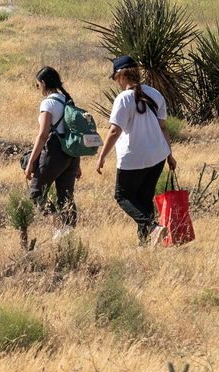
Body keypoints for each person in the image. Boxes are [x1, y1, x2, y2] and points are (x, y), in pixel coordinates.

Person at [96, 56, 176, 245]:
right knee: (143, 199)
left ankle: (152, 227)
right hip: (158, 155)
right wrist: (170, 155)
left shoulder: (123, 98)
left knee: (122, 196)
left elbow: (115, 130)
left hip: (133, 157)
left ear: (120, 76)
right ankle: (145, 244)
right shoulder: (155, 94)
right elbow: (163, 127)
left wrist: (102, 156)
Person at [24, 66, 82, 238]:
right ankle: (69, 235)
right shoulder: (67, 100)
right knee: (66, 197)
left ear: (43, 83)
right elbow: (73, 133)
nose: (38, 89)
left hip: (54, 153)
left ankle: (60, 230)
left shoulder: (48, 103)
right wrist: (77, 164)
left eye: (37, 85)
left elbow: (43, 135)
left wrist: (31, 162)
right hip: (72, 155)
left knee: (36, 193)